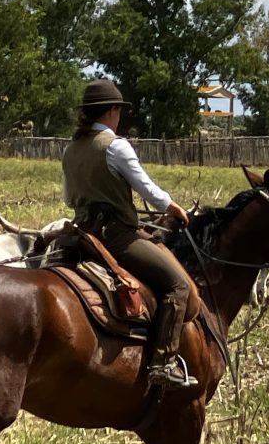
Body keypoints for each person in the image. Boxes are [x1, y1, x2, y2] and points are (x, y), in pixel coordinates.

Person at [62, 79, 197, 388]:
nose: (120, 116)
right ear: (111, 111)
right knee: (178, 286)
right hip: (116, 237)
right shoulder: (116, 146)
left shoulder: (71, 150)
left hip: (81, 233)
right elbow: (146, 189)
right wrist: (172, 206)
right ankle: (163, 362)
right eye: (119, 111)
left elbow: (69, 199)